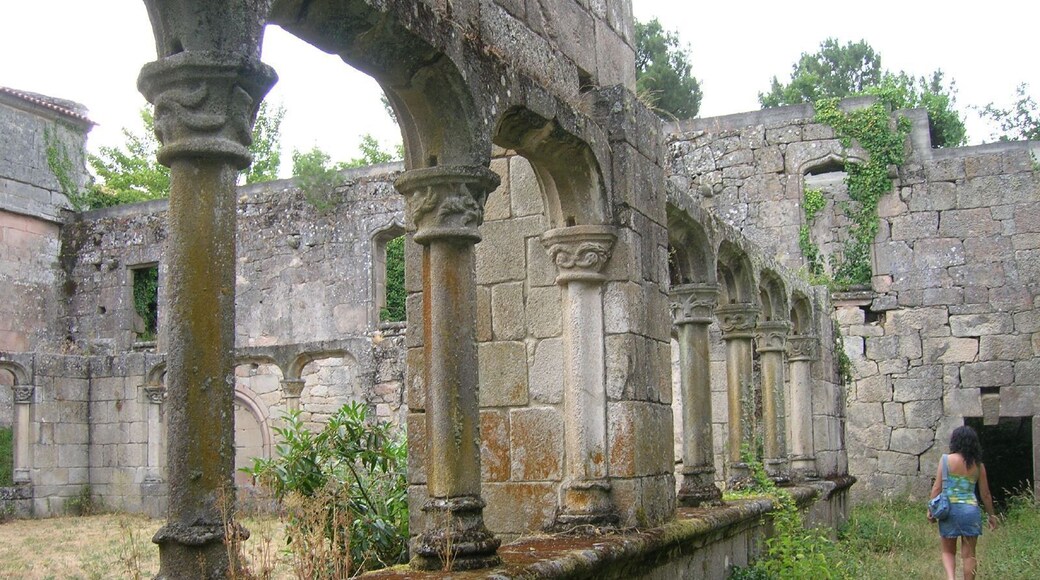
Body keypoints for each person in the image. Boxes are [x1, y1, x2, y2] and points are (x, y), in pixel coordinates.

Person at [928, 425, 998, 580]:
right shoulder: (979, 466)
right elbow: (985, 494)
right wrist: (991, 515)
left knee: (948, 551)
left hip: (949, 511)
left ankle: (951, 578)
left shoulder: (946, 460)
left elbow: (937, 488)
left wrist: (931, 509)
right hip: (970, 512)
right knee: (969, 555)